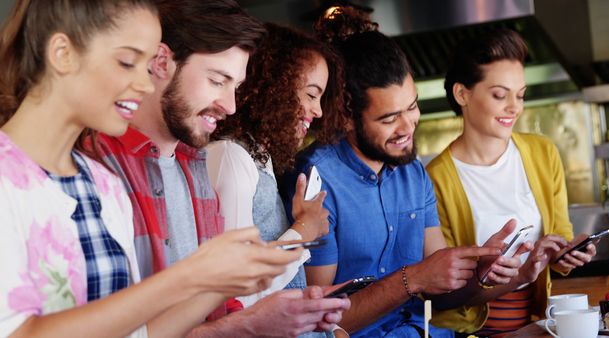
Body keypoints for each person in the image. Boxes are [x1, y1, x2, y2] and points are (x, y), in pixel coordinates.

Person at [0, 0, 297, 337]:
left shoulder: (102, 184)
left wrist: (219, 281)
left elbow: (136, 333)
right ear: (62, 53)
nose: (145, 83)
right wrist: (191, 277)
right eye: (128, 62)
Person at [96, 1, 350, 337]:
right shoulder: (102, 167)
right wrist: (250, 323)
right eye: (218, 80)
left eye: (235, 86)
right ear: (160, 62)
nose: (229, 105)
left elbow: (223, 305)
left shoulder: (197, 165)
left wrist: (281, 316)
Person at [283, 7, 528, 338]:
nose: (407, 126)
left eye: (412, 107)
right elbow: (319, 323)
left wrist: (481, 272)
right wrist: (413, 278)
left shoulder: (413, 174)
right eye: (388, 119)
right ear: (345, 117)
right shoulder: (316, 180)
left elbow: (441, 295)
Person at [426, 28, 597, 337]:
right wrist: (516, 273)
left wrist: (567, 251)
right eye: (499, 95)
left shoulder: (543, 153)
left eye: (519, 95)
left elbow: (560, 242)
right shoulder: (436, 179)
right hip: (467, 333)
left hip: (537, 326)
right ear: (462, 94)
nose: (514, 107)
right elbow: (445, 294)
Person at [207, 22, 348, 310]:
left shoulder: (259, 157)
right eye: (311, 94)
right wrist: (303, 230)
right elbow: (234, 297)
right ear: (275, 87)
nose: (318, 111)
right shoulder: (230, 157)